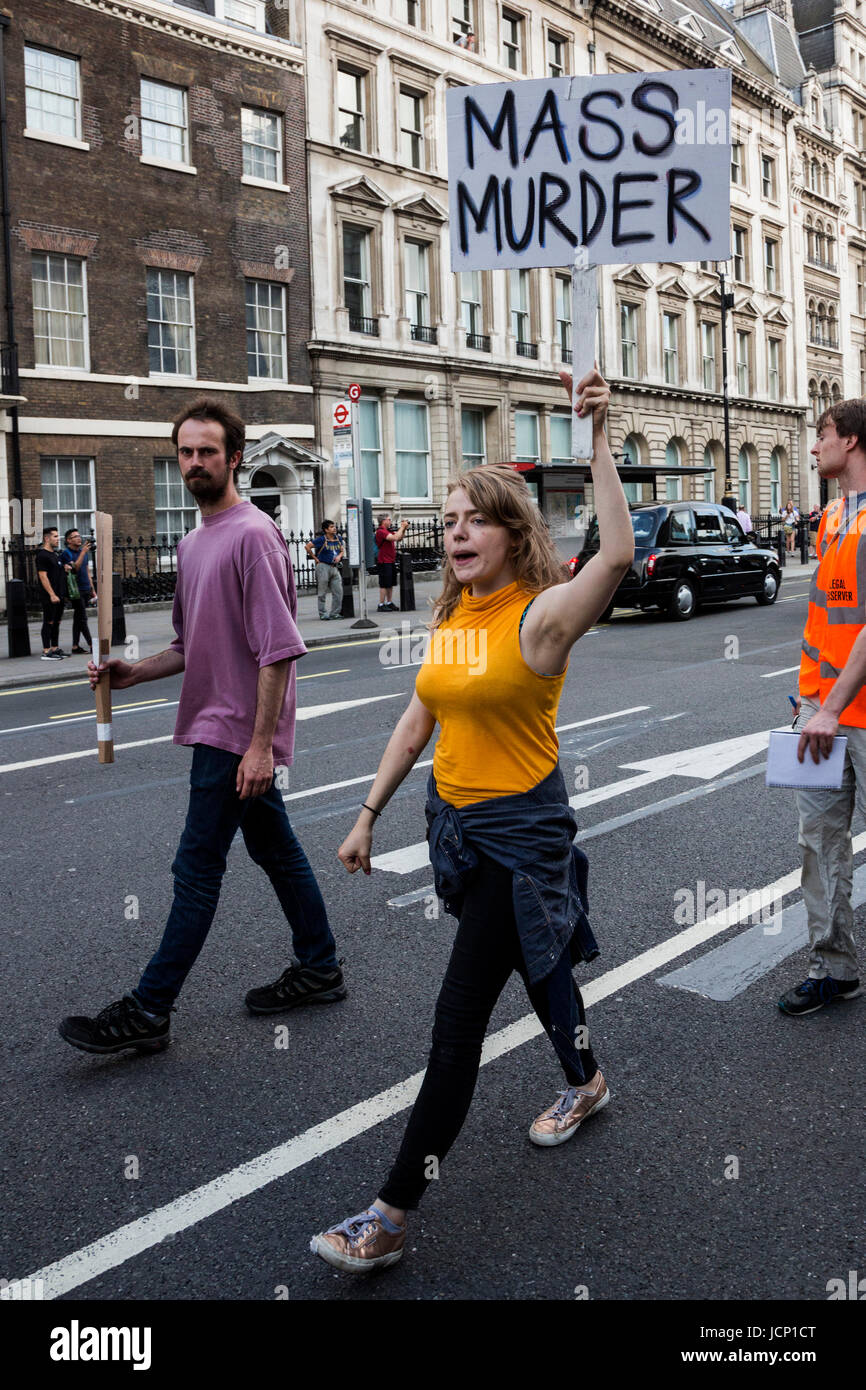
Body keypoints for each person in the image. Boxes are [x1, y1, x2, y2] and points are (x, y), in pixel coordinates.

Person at [309, 366, 634, 1273]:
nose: (455, 531)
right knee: (537, 971)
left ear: (511, 532)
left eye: (474, 518)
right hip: (455, 831)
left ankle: (387, 1215)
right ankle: (588, 1078)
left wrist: (600, 435)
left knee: (457, 1023)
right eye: (448, 519)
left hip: (518, 844)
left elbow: (613, 558)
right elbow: (422, 716)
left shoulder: (539, 621)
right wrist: (368, 813)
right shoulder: (453, 612)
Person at [59, 397, 346, 1057]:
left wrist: (259, 747)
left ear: (235, 458)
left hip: (234, 738)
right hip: (218, 728)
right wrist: (134, 673)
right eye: (185, 452)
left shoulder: (253, 534)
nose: (194, 463)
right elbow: (191, 646)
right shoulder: (192, 544)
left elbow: (278, 649)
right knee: (275, 850)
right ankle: (320, 965)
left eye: (207, 452)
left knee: (195, 867)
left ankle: (150, 1008)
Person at [782, 399, 866, 1016]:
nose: (815, 447)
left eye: (824, 435)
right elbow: (825, 624)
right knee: (818, 841)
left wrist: (829, 707)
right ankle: (833, 968)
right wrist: (810, 699)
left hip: (844, 715)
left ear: (854, 442)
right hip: (821, 712)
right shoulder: (831, 517)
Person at [35, 525, 69, 660]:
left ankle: (54, 648)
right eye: (55, 536)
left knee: (57, 622)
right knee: (48, 622)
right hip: (50, 595)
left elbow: (56, 572)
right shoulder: (42, 555)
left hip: (59, 594)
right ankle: (46, 651)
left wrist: (65, 568)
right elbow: (43, 576)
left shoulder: (54, 554)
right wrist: (52, 594)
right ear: (46, 538)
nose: (58, 539)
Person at [60, 527, 96, 654]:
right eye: (75, 536)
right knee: (83, 618)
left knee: (78, 618)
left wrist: (92, 589)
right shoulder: (66, 554)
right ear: (68, 540)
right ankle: (92, 645)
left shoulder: (83, 552)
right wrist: (83, 552)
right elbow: (75, 568)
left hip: (85, 588)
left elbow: (86, 570)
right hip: (75, 590)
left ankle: (75, 646)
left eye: (79, 536)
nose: (79, 538)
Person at [305, 519, 344, 621]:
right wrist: (315, 558)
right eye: (331, 527)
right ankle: (323, 613)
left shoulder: (338, 538)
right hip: (323, 566)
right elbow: (308, 546)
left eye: (334, 526)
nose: (334, 528)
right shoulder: (321, 539)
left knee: (338, 591)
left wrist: (339, 556)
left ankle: (335, 613)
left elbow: (342, 550)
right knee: (322, 592)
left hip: (334, 567)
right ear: (326, 530)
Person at [374, 513, 408, 612]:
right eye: (389, 519)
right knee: (384, 584)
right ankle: (381, 604)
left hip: (390, 560)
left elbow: (400, 537)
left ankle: (389, 602)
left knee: (390, 583)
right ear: (383, 521)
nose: (390, 521)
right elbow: (395, 538)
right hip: (384, 561)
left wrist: (404, 529)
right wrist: (402, 527)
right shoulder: (380, 531)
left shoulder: (387, 531)